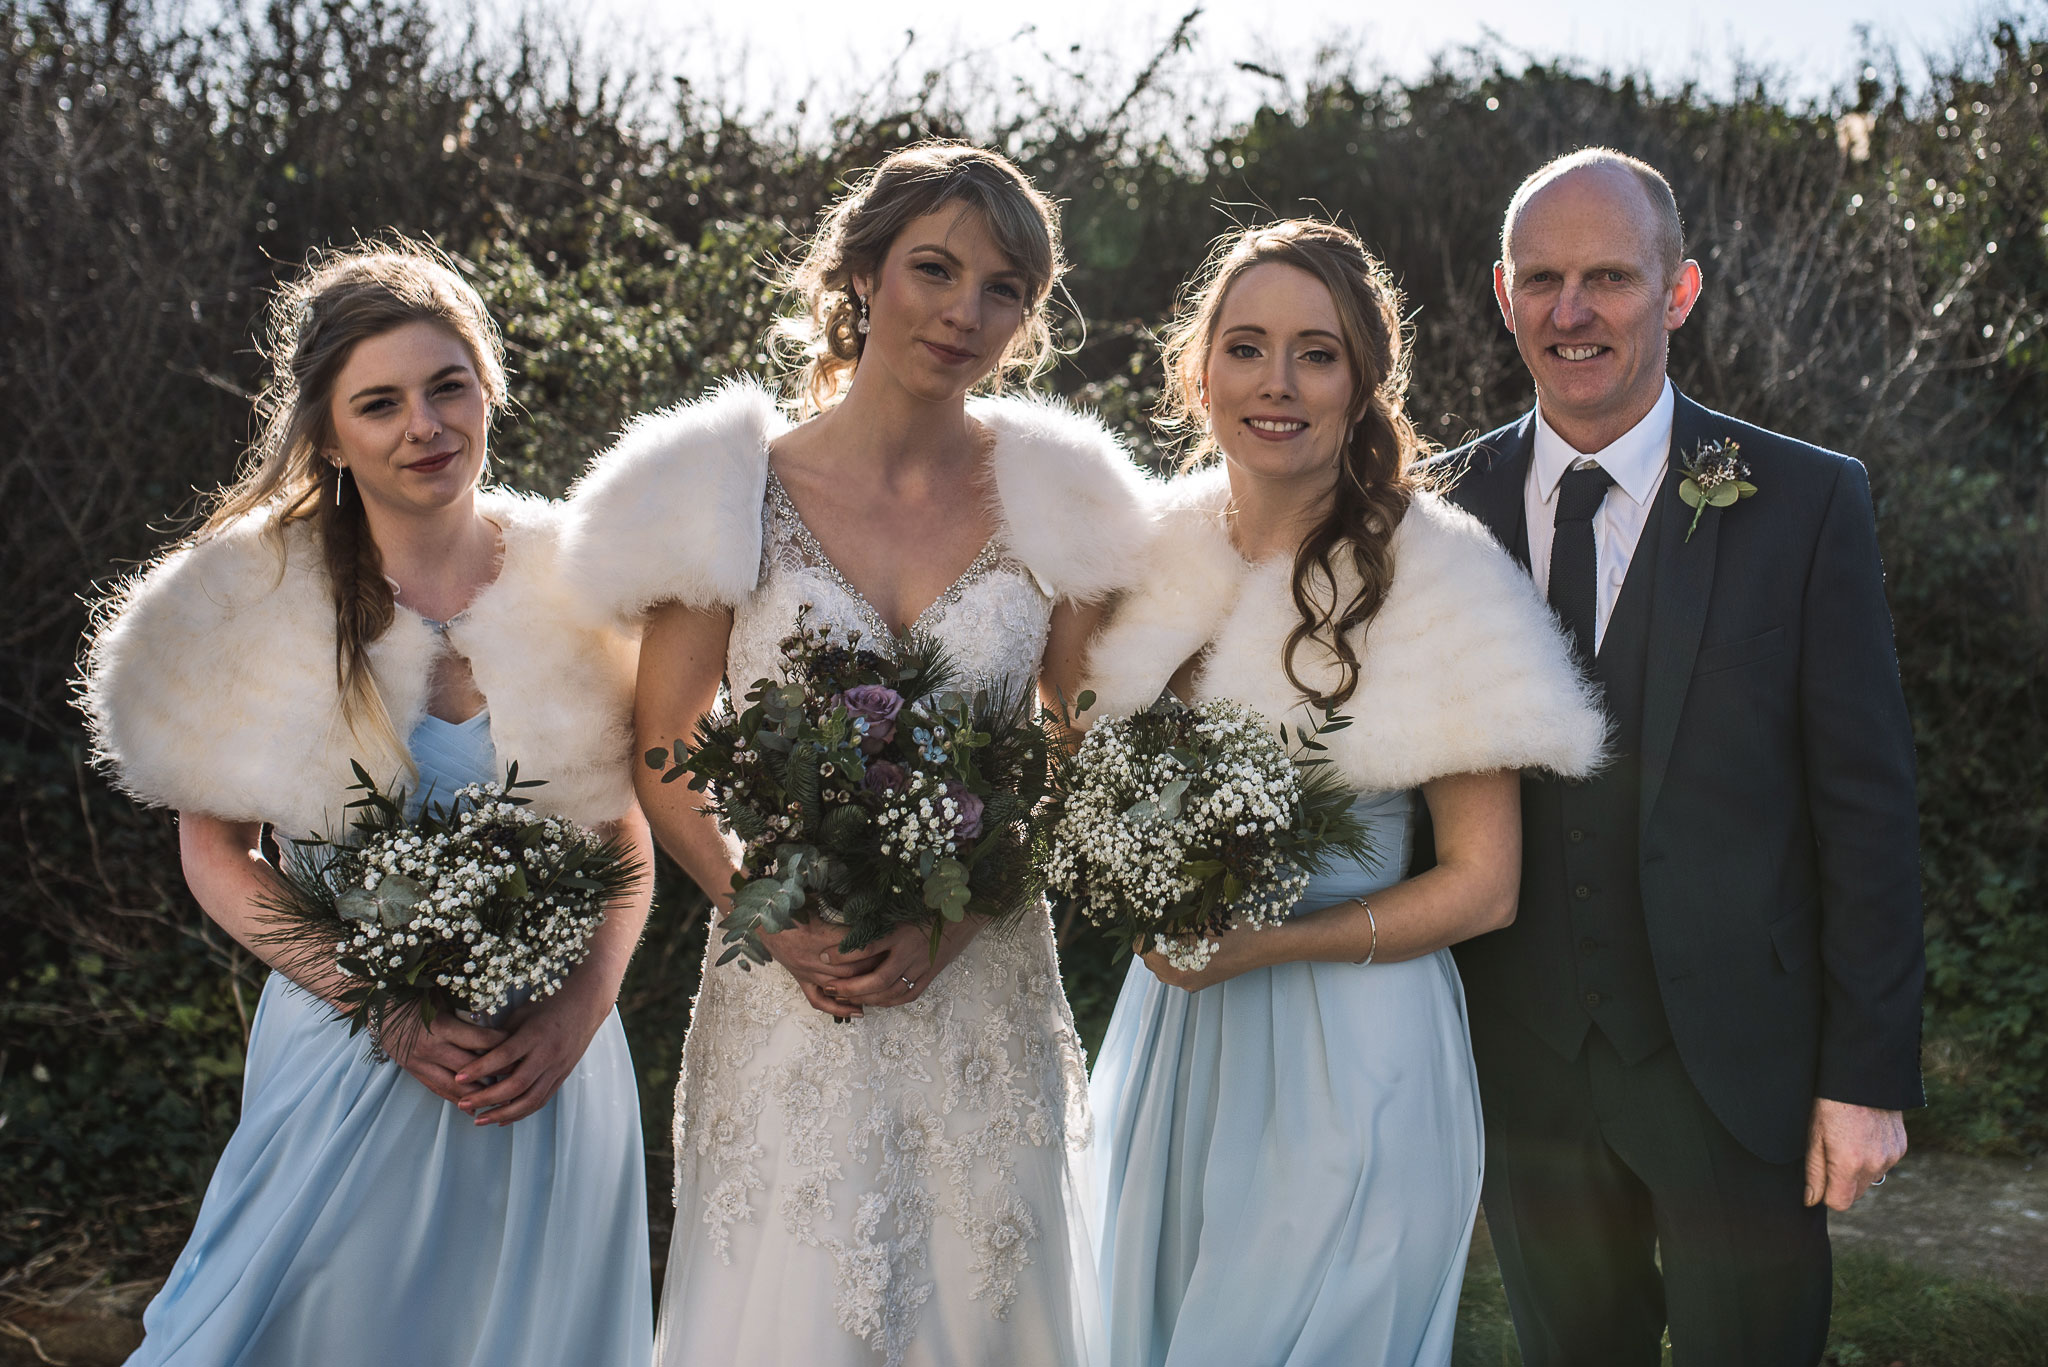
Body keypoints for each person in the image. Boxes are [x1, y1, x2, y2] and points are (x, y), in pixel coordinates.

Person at [559, 141, 1152, 1367]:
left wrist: (967, 916)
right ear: (863, 275)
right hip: (786, 981)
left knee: (983, 1300)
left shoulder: (1055, 498)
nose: (963, 312)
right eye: (933, 269)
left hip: (979, 985)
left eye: (1002, 290)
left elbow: (1075, 741)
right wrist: (759, 908)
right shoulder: (727, 486)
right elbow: (665, 740)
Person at [78, 241, 655, 1367]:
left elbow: (622, 831)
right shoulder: (253, 594)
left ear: (487, 384)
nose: (423, 426)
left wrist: (576, 1013)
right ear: (329, 433)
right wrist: (381, 1004)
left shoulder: (581, 582)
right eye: (379, 403)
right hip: (348, 1047)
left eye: (446, 386)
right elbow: (220, 856)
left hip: (550, 1065)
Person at [1078, 218, 1606, 1366]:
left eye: (1316, 353)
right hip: (1173, 1034)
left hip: (1349, 1048)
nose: (1277, 383)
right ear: (1196, 366)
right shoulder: (1139, 554)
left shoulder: (1439, 571)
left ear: (1364, 379)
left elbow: (1485, 886)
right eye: (1247, 346)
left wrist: (1263, 943)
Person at [1443, 148, 1925, 1364]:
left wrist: (1864, 1075)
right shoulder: (1438, 510)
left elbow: (1864, 803)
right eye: (1541, 278)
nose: (1571, 310)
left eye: (1608, 276)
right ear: (1502, 295)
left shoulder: (1806, 500)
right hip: (1524, 1067)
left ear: (1678, 290)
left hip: (1738, 1066)